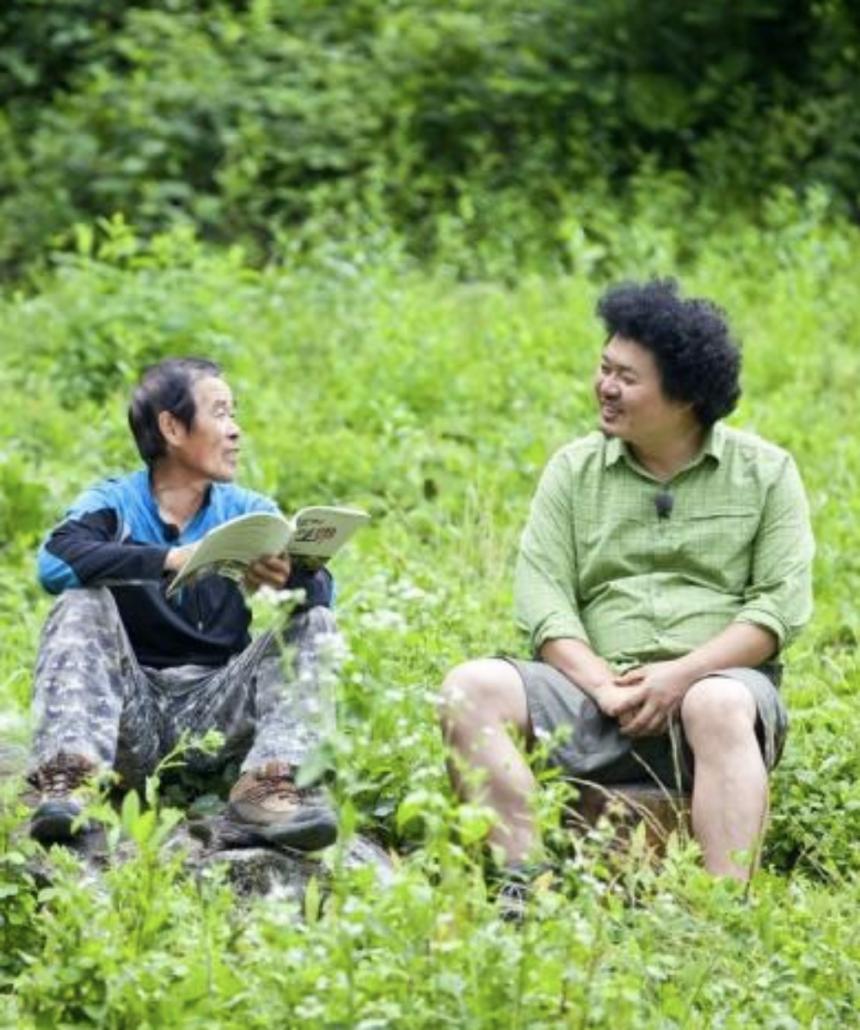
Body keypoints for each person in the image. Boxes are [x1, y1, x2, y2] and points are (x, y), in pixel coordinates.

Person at [439, 279, 814, 883]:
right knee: (469, 686)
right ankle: (520, 885)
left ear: (685, 396)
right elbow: (544, 602)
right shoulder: (573, 470)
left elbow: (778, 608)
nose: (605, 387)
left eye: (627, 378)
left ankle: (721, 911)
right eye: (604, 368)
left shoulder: (766, 474)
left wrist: (680, 676)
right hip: (593, 697)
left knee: (716, 701)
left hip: (715, 698)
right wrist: (603, 685)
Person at [28, 356, 342, 851]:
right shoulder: (113, 503)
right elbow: (53, 564)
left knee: (316, 619)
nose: (235, 430)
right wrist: (170, 558)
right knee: (80, 600)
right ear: (172, 427)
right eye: (220, 413)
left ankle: (270, 785)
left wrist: (287, 579)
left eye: (234, 414)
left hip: (217, 717)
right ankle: (72, 777)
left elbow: (325, 592)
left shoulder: (249, 510)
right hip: (129, 718)